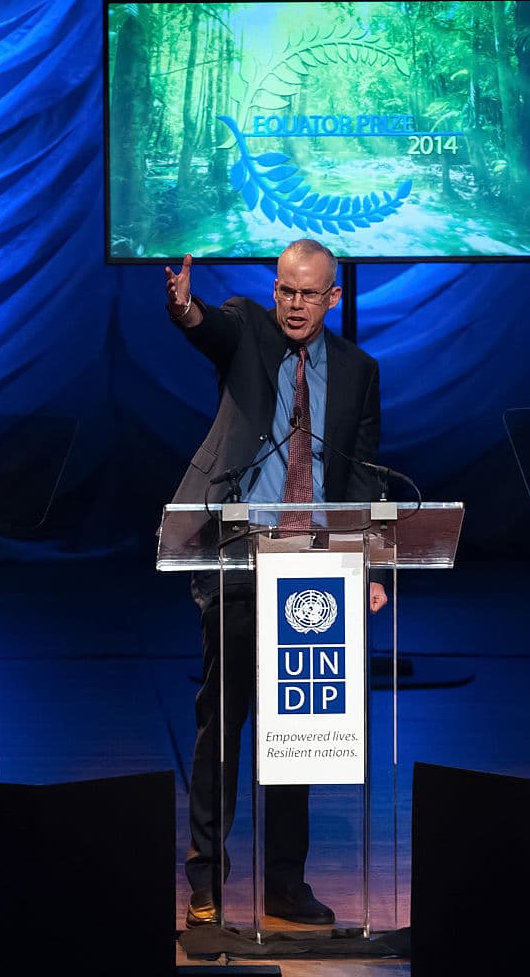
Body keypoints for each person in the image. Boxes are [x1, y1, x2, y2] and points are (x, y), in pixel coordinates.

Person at [165, 238, 388, 929]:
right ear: (275, 291)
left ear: (333, 297)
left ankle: (285, 885)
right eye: (286, 291)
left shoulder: (358, 371)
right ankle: (205, 875)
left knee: (297, 729)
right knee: (224, 723)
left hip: (312, 565)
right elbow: (213, 329)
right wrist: (187, 311)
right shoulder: (250, 333)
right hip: (236, 553)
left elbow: (362, 475)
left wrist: (367, 564)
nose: (295, 305)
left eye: (308, 293)